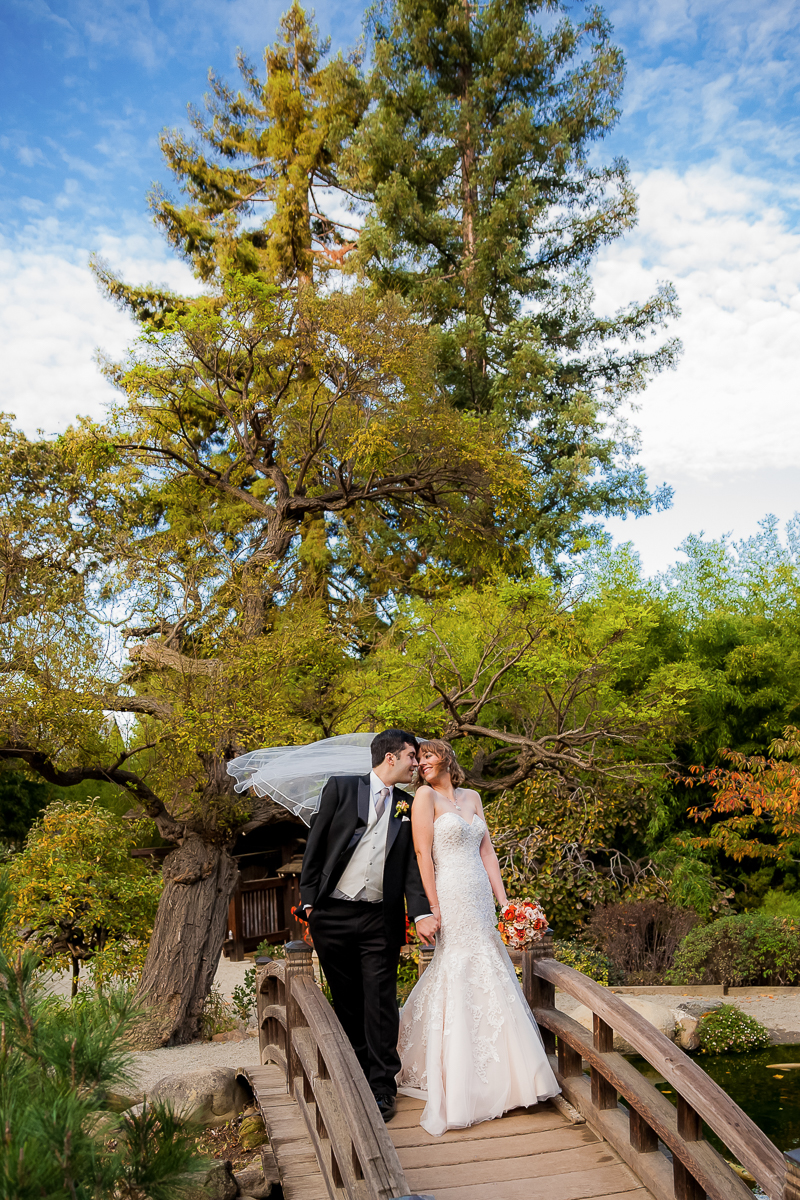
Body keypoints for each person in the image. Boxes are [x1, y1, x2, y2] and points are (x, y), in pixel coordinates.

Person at [396, 738, 560, 1136]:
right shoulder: (423, 798)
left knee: (491, 965)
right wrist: (432, 907)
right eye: (418, 761)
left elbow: (488, 852)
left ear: (446, 757)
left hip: (480, 897)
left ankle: (512, 1078)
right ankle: (460, 1076)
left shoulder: (472, 797)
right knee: (457, 964)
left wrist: (505, 903)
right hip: (450, 893)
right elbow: (422, 853)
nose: (422, 764)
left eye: (429, 757)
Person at [299, 728, 438, 1123]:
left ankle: (382, 1088)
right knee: (347, 1001)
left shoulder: (409, 805)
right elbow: (317, 844)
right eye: (412, 756)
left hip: (380, 917)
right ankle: (355, 1078)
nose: (416, 763)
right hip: (333, 915)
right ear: (390, 758)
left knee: (380, 1003)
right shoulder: (341, 789)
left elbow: (411, 866)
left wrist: (422, 911)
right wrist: (309, 903)